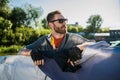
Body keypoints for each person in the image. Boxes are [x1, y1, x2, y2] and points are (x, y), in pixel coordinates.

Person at [19, 10, 94, 72]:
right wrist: (32, 52)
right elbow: (21, 51)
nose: (64, 23)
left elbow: (93, 43)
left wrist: (78, 48)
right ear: (51, 24)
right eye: (61, 21)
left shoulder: (73, 38)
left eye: (65, 20)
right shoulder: (43, 40)